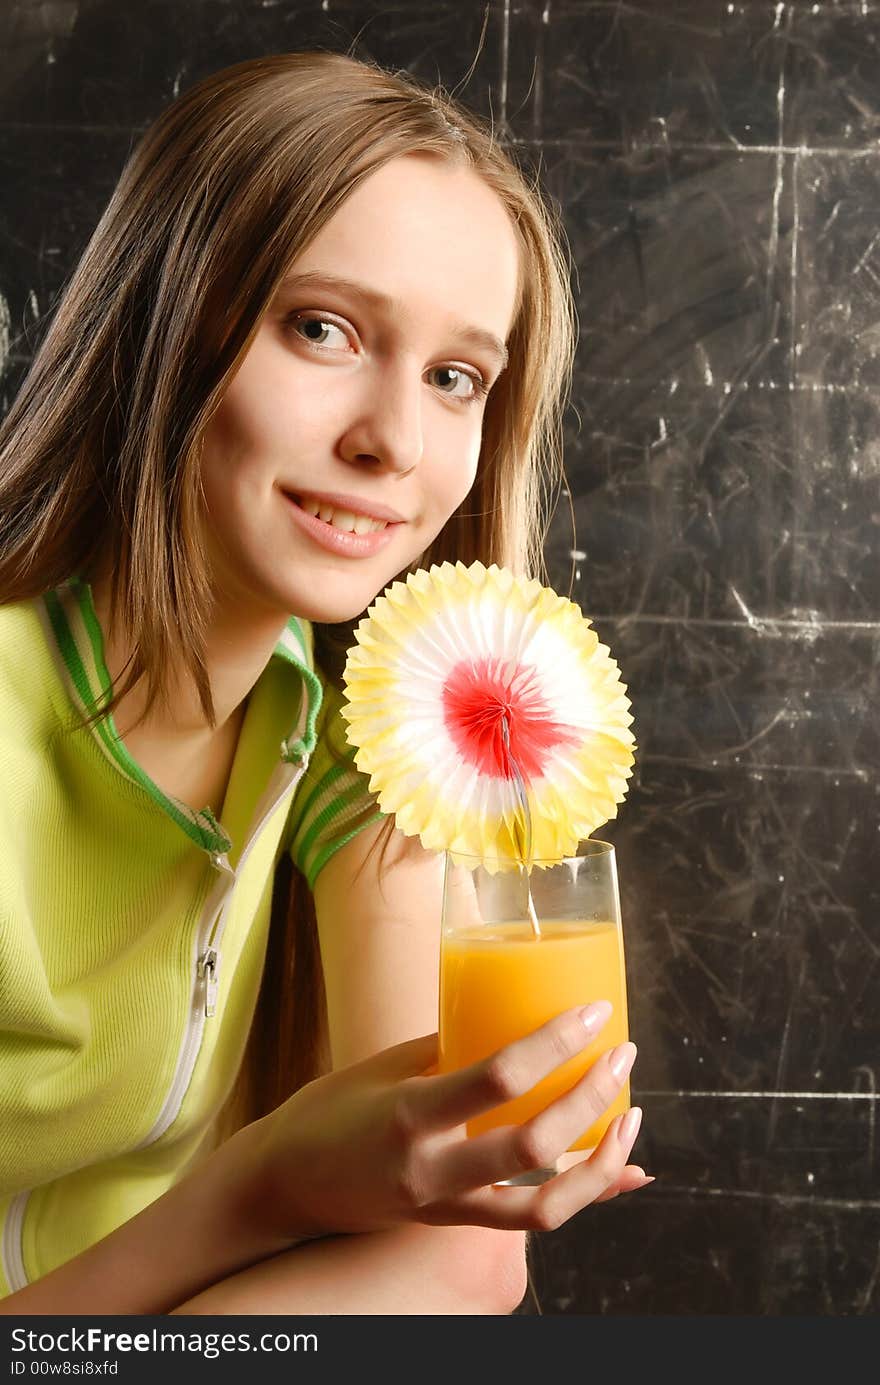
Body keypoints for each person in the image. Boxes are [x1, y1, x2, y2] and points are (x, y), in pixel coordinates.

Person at [0, 49, 652, 1316]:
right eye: (323, 329)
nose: (392, 442)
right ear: (163, 318)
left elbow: (463, 1245)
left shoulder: (353, 726)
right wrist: (261, 1192)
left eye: (456, 376)